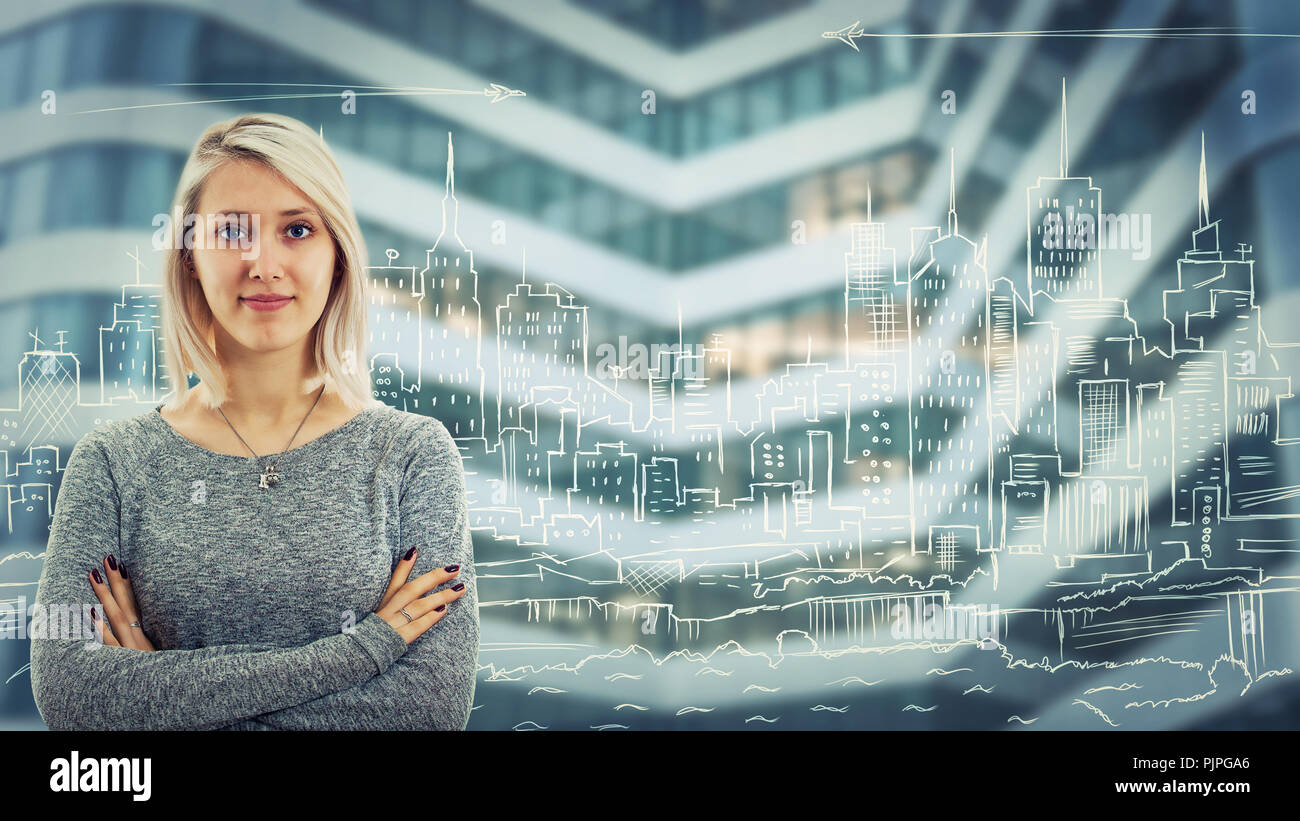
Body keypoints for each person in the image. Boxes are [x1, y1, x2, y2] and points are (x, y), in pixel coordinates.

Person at [28, 113, 478, 730]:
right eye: (232, 231)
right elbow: (74, 699)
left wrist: (161, 696)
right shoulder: (112, 464)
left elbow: (427, 711)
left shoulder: (411, 456)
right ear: (190, 256)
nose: (263, 264)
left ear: (338, 256)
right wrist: (369, 647)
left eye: (297, 229)